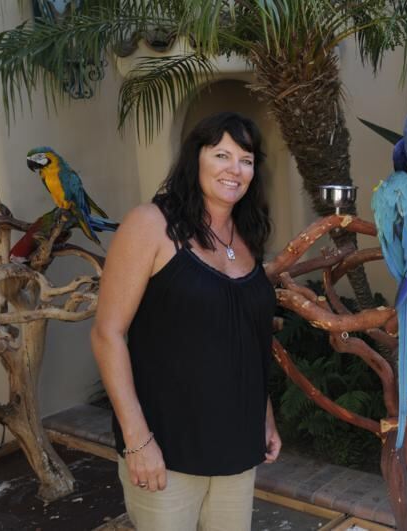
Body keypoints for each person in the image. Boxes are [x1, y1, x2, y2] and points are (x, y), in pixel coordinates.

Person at [91, 112, 281, 531]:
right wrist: (137, 441)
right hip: (167, 451)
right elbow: (108, 334)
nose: (235, 169)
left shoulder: (247, 235)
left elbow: (249, 338)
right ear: (196, 158)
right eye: (222, 155)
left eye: (246, 160)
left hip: (237, 446)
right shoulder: (151, 225)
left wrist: (264, 414)